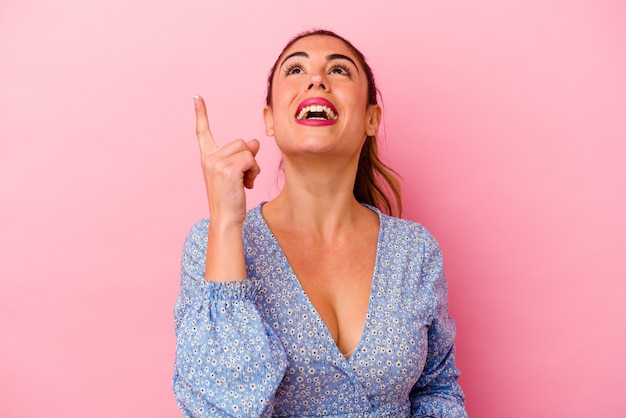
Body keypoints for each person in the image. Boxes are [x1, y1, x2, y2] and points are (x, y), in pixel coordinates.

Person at [173, 29, 467, 417]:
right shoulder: (213, 243)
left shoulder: (415, 251)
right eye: (295, 69)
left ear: (371, 119)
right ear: (270, 119)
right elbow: (222, 409)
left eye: (339, 70)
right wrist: (226, 223)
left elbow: (437, 389)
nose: (316, 79)